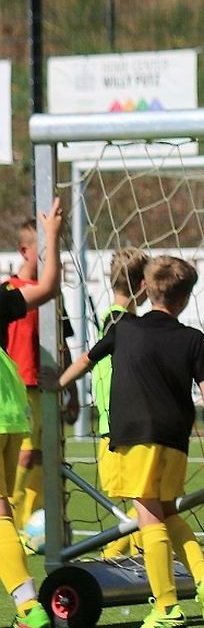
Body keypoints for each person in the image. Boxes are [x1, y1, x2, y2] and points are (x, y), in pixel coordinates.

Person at [60, 255, 204, 628]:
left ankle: (166, 608)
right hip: (176, 439)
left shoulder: (125, 328)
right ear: (185, 298)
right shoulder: (193, 338)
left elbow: (86, 360)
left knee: (148, 518)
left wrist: (57, 385)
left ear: (146, 288)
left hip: (136, 435)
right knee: (167, 512)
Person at [0, 199, 62, 628]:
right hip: (11, 407)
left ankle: (27, 604)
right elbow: (49, 287)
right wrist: (52, 236)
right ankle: (26, 605)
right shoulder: (1, 296)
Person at [6, 218, 79, 537]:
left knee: (44, 456)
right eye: (44, 251)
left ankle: (33, 525)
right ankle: (10, 514)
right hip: (15, 390)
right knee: (24, 454)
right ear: (25, 251)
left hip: (46, 388)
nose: (50, 257)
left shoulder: (53, 299)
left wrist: (72, 391)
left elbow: (63, 346)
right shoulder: (9, 292)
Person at [95, 248, 150, 559]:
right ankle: (113, 556)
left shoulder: (118, 319)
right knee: (146, 500)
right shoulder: (119, 322)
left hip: (120, 423)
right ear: (143, 285)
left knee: (146, 498)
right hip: (119, 425)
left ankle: (123, 554)